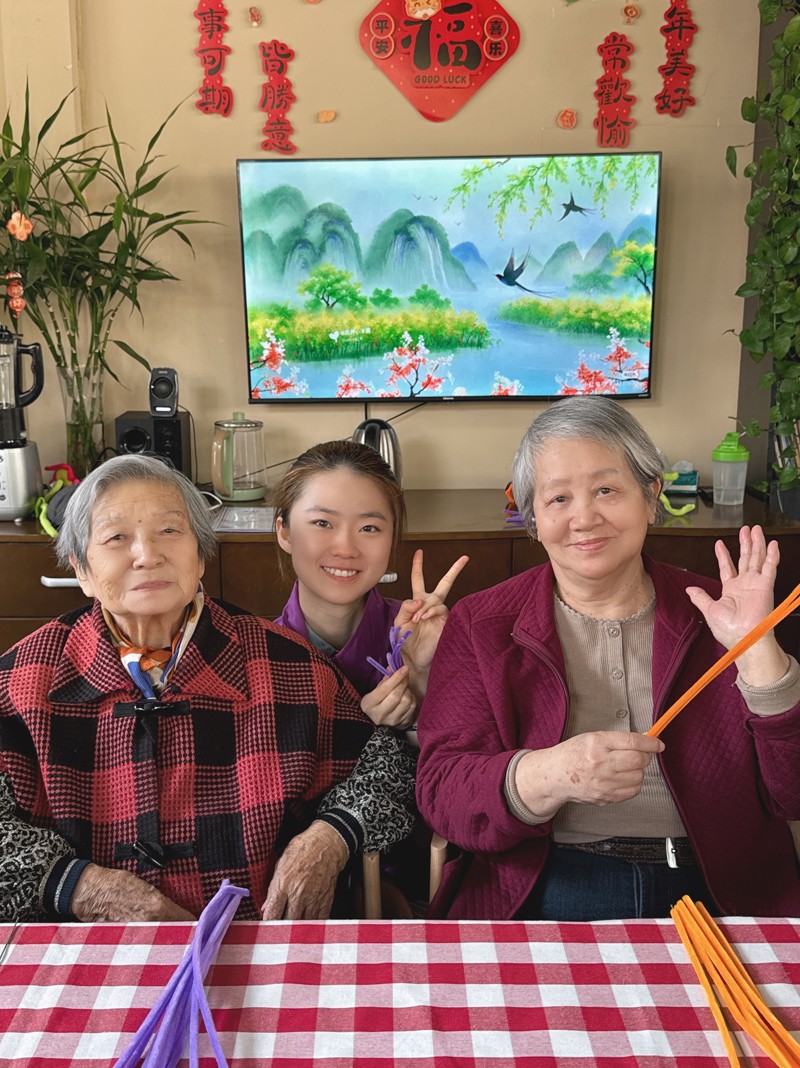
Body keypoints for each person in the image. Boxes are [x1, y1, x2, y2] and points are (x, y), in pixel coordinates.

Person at [416, 396, 800, 921]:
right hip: (547, 880)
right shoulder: (480, 624)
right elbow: (442, 794)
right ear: (533, 519)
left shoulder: (723, 611)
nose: (584, 518)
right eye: (558, 498)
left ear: (651, 496)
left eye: (606, 490)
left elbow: (792, 796)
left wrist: (758, 652)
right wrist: (553, 773)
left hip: (717, 887)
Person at [0, 454, 416, 923]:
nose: (147, 554)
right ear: (81, 569)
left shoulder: (290, 664)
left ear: (200, 556)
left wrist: (331, 836)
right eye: (117, 537)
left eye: (169, 530)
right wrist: (76, 885)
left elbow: (390, 767)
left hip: (258, 942)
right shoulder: (22, 680)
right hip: (84, 954)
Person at [273, 439, 468, 729]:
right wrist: (361, 727)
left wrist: (421, 678)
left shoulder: (424, 635)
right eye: (322, 523)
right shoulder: (256, 652)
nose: (345, 549)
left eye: (369, 528)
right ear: (285, 533)